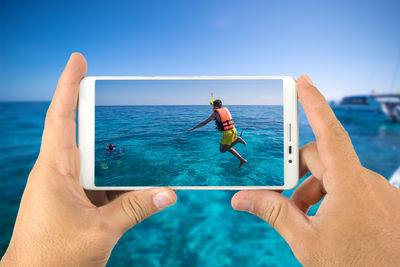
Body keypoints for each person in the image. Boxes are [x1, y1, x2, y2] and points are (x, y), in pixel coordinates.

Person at [1, 54, 400, 266]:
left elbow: (205, 119)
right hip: (235, 127)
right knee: (232, 137)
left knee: (228, 150)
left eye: (213, 105)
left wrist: (196, 128)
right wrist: (223, 124)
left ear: (215, 106)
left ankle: (241, 159)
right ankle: (239, 148)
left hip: (226, 134)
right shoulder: (228, 110)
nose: (213, 107)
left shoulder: (214, 113)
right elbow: (222, 117)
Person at [187, 99, 247, 168]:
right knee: (228, 147)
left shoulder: (215, 113)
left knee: (222, 150)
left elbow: (204, 123)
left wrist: (194, 128)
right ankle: (242, 160)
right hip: (233, 130)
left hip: (227, 133)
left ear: (215, 106)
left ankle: (238, 140)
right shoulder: (225, 110)